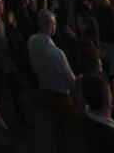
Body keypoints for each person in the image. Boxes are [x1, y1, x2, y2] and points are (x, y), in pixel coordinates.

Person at [27, 9, 77, 153]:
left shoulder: (31, 40)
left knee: (56, 126)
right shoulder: (56, 53)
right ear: (49, 26)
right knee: (72, 127)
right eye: (54, 24)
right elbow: (70, 79)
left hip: (45, 90)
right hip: (62, 95)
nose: (56, 27)